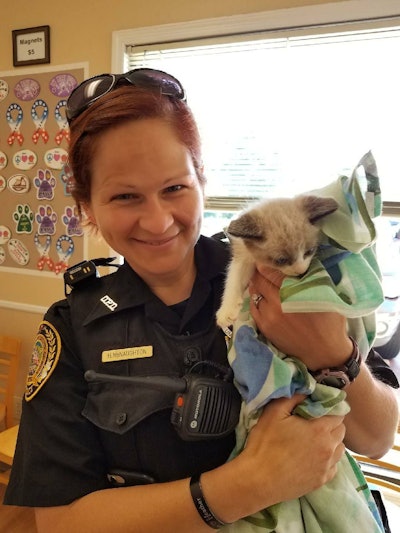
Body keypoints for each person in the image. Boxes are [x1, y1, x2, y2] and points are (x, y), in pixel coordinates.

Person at [4, 68, 399, 533]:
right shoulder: (74, 329)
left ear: (202, 180)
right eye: (126, 196)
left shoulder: (278, 275)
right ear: (88, 206)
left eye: (175, 188)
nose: (158, 222)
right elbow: (59, 522)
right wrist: (247, 485)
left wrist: (335, 356)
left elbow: (376, 437)